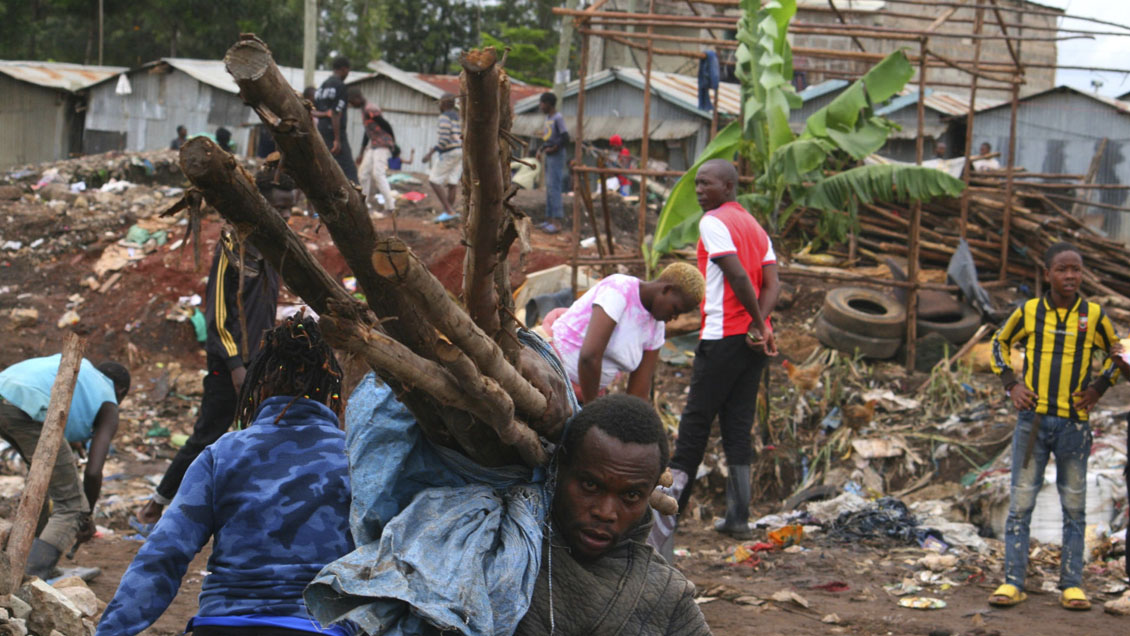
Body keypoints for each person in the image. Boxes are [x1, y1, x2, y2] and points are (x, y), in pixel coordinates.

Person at [97, 315, 353, 636]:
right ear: (332, 391)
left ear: (259, 386)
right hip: (320, 628)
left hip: (224, 625)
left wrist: (109, 633)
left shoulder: (223, 452)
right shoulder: (353, 459)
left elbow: (164, 553)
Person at [135, 170, 293, 527]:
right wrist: (237, 364)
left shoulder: (271, 249)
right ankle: (156, 505)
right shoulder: (234, 247)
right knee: (208, 434)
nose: (285, 216)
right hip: (230, 365)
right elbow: (217, 315)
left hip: (259, 362)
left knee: (258, 436)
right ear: (263, 203)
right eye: (280, 208)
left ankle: (247, 512)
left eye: (290, 210)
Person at [987, 242, 1122, 612]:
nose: (1070, 276)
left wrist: (1099, 388)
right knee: (1020, 505)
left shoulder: (1093, 316)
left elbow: (1120, 352)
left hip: (1073, 426)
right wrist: (1011, 384)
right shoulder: (1029, 312)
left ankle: (1071, 584)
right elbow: (998, 343)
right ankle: (1013, 582)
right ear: (1047, 274)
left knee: (1075, 508)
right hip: (1032, 424)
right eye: (1062, 269)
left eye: (1076, 269)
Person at [653, 159, 779, 548]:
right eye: (697, 184)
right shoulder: (756, 227)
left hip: (724, 335)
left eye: (706, 183)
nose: (698, 190)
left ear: (728, 186)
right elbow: (773, 283)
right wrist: (762, 324)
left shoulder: (713, 222)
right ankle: (738, 518)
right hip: (752, 343)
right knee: (737, 427)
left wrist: (755, 322)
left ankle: (663, 529)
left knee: (694, 426)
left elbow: (739, 276)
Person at [515, 394, 711, 634]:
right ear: (562, 467)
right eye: (590, 486)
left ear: (649, 493)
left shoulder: (665, 597)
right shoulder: (505, 554)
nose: (605, 513)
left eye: (630, 496)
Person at [0, 355, 130, 578]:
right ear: (121, 391)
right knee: (71, 505)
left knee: (40, 489)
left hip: (6, 394)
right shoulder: (110, 402)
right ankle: (31, 575)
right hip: (26, 409)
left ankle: (16, 564)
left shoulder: (84, 370)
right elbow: (93, 471)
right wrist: (86, 515)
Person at [547, 263, 704, 404]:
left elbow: (638, 394)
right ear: (667, 290)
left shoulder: (656, 329)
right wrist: (591, 411)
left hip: (586, 395)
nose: (674, 318)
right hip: (551, 371)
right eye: (675, 309)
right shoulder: (620, 289)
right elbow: (590, 356)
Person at [349, 88, 397, 218]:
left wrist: (394, 143)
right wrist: (361, 153)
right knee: (363, 173)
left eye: (351, 102)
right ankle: (364, 206)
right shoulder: (364, 110)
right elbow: (367, 132)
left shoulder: (370, 108)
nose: (351, 105)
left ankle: (390, 207)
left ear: (357, 98)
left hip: (382, 144)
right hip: (373, 145)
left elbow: (385, 124)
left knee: (378, 174)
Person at [315, 56, 358, 183]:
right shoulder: (340, 86)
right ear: (344, 69)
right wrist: (337, 139)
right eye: (348, 71)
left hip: (321, 131)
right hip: (335, 133)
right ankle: (355, 200)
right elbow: (336, 113)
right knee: (349, 170)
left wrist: (324, 114)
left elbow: (312, 110)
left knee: (327, 167)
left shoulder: (322, 87)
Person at [423, 93, 462, 219]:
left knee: (434, 180)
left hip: (449, 152)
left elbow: (444, 140)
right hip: (460, 151)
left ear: (444, 104)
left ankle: (449, 210)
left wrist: (430, 153)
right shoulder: (457, 117)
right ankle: (448, 214)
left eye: (440, 102)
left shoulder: (444, 117)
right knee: (452, 183)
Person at [536, 92, 568, 234]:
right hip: (549, 155)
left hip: (556, 155)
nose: (541, 106)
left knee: (554, 187)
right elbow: (548, 138)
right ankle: (549, 219)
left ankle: (557, 222)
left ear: (549, 104)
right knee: (549, 187)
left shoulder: (558, 118)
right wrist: (541, 149)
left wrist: (554, 148)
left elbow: (565, 137)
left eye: (542, 103)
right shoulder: (548, 118)